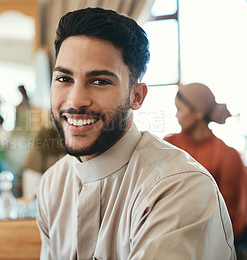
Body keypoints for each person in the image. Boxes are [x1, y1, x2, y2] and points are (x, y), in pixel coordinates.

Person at [36, 7, 236, 259]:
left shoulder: (178, 188)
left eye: (100, 81)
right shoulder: (53, 183)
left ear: (137, 96)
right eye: (64, 79)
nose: (76, 100)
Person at [164, 83, 247, 245]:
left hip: (212, 242)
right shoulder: (168, 144)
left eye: (180, 109)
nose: (176, 115)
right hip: (169, 236)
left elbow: (233, 215)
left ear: (198, 113)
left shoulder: (228, 156)